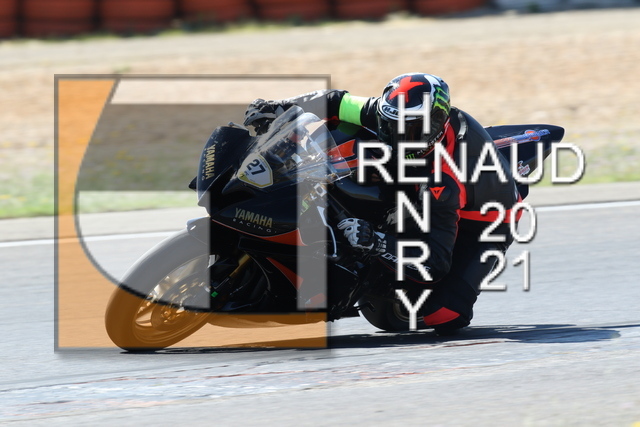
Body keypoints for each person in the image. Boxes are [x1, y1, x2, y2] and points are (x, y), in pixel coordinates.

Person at [243, 73, 520, 335]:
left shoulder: (444, 180)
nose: (399, 135)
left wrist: (376, 241)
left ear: (435, 124)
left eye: (410, 129)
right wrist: (279, 106)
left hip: (483, 222)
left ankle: (383, 279)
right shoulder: (394, 112)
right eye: (391, 125)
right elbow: (335, 101)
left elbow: (434, 263)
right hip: (420, 177)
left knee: (445, 315)